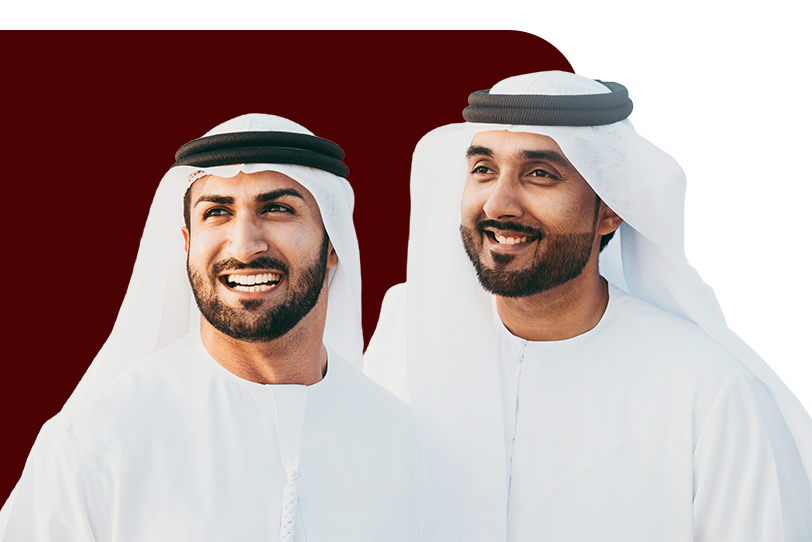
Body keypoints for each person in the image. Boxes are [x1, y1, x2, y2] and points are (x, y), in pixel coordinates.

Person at [364, 71, 812, 541]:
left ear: (610, 209)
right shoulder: (408, 327)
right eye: (483, 169)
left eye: (539, 174)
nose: (498, 204)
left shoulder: (709, 390)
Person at [1, 114, 421, 541]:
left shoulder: (403, 444)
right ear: (187, 244)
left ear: (333, 244)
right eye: (217, 212)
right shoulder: (94, 446)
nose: (244, 246)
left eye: (277, 209)